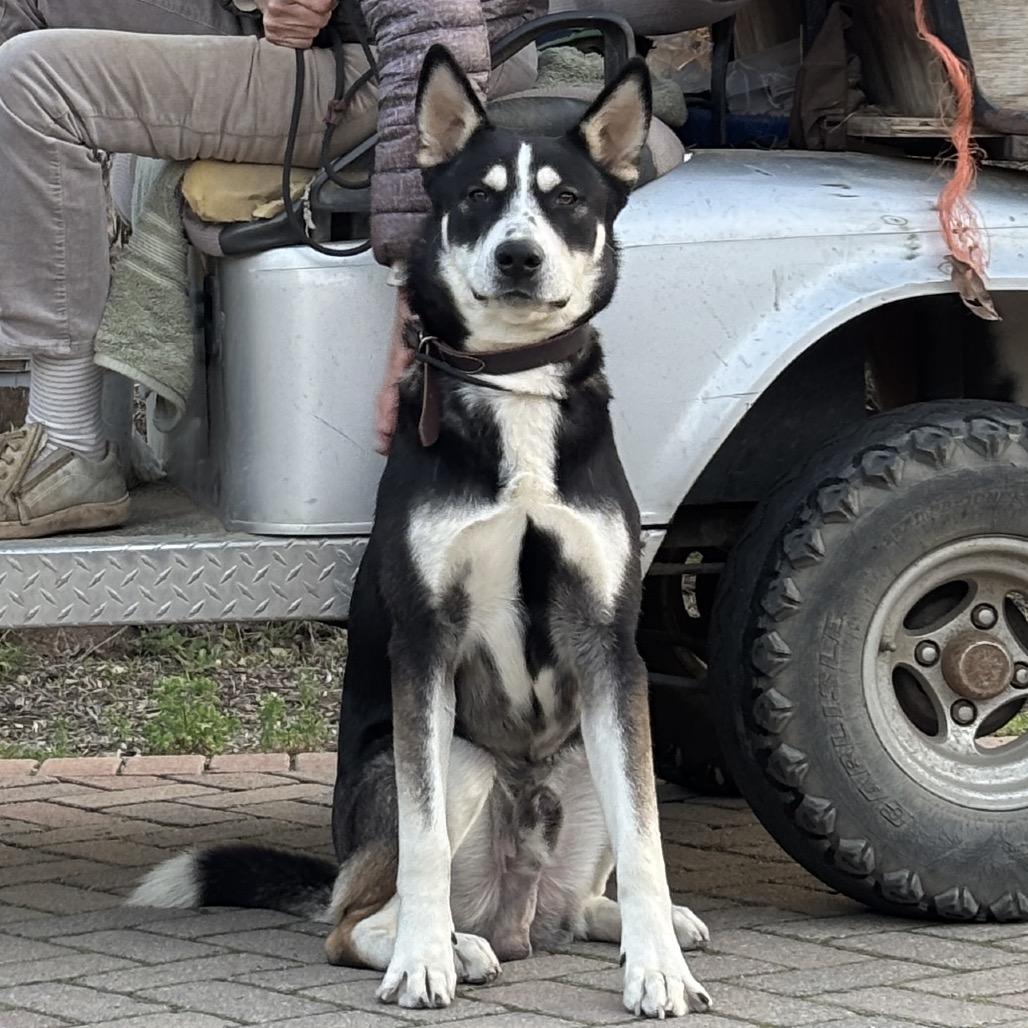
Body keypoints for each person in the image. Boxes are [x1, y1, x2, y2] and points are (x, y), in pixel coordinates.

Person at [0, 0, 541, 539]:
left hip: (437, 54)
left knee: (33, 81)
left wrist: (419, 294)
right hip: (335, 30)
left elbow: (432, 29)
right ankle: (109, 434)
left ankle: (66, 439)